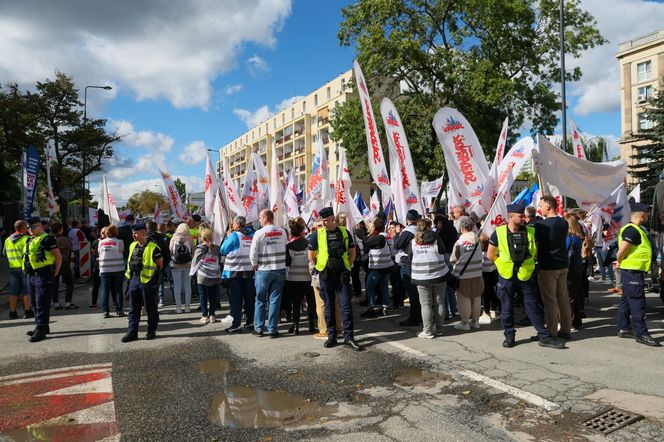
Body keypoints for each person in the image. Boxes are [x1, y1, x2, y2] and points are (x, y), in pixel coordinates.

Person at [487, 204, 564, 349]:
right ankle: (509, 336)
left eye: (524, 216)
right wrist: (503, 265)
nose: (524, 218)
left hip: (526, 274)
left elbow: (535, 251)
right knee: (507, 307)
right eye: (520, 216)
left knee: (532, 306)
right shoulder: (498, 233)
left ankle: (544, 336)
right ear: (511, 216)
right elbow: (490, 254)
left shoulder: (531, 231)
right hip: (507, 275)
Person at [308, 207, 361, 351]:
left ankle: (349, 337)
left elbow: (352, 252)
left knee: (346, 307)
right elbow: (311, 256)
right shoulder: (317, 235)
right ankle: (332, 336)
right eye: (322, 220)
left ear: (332, 219)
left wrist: (347, 266)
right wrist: (322, 266)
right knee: (329, 307)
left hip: (342, 275)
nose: (323, 223)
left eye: (326, 220)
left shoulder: (344, 232)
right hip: (326, 275)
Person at [615, 202, 661, 347]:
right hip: (632, 272)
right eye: (647, 213)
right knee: (637, 302)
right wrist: (619, 261)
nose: (648, 215)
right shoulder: (632, 231)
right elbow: (621, 251)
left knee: (627, 300)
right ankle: (641, 333)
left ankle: (624, 328)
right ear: (642, 215)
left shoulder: (637, 229)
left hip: (633, 271)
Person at [535, 195, 572, 340]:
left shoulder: (541, 225)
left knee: (550, 300)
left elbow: (536, 241)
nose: (540, 208)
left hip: (548, 266)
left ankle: (551, 331)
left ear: (548, 207)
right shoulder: (563, 222)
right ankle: (566, 329)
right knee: (563, 298)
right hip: (562, 264)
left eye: (541, 205)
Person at [23, 217, 62, 342]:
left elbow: (58, 256)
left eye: (32, 227)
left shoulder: (47, 238)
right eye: (28, 228)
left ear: (40, 226)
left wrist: (55, 272)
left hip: (43, 274)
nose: (30, 230)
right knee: (35, 303)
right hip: (31, 275)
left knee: (41, 303)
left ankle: (41, 329)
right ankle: (42, 326)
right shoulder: (30, 239)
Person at [121, 222, 163, 342]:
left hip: (148, 281)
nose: (133, 235)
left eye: (135, 233)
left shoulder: (153, 247)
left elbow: (160, 264)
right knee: (133, 308)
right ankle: (132, 332)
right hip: (134, 279)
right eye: (132, 233)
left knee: (150, 308)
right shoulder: (132, 245)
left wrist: (153, 278)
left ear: (143, 233)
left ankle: (151, 331)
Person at [250, 209, 287, 338]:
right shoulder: (282, 231)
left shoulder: (259, 233)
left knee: (260, 300)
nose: (259, 220)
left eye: (260, 218)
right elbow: (285, 247)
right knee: (275, 300)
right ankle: (272, 329)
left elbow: (253, 253)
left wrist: (255, 266)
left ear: (265, 218)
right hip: (279, 269)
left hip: (264, 270)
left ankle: (259, 328)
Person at [410, 218, 448, 339]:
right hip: (439, 274)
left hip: (421, 276)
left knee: (425, 304)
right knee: (439, 302)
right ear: (430, 226)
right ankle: (439, 329)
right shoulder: (438, 239)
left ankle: (427, 331)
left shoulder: (413, 241)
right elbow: (443, 252)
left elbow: (409, 256)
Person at [220, 216, 256, 333]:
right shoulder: (250, 236)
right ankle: (250, 321)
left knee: (236, 299)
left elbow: (223, 250)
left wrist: (227, 236)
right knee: (249, 298)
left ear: (237, 225)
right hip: (248, 271)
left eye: (233, 224)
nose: (232, 225)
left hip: (235, 272)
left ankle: (236, 324)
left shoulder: (234, 236)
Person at [450, 216, 484, 331]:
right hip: (478, 272)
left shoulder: (459, 241)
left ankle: (465, 323)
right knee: (476, 297)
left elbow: (453, 259)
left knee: (464, 298)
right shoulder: (478, 240)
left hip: (463, 274)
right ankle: (475, 321)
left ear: (462, 227)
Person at [285, 217, 316, 335]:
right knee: (311, 301)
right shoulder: (309, 244)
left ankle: (296, 326)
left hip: (293, 278)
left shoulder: (288, 246)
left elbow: (287, 263)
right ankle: (312, 326)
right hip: (308, 277)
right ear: (303, 231)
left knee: (296, 302)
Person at [394, 210, 422, 325]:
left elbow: (397, 245)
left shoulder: (408, 231)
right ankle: (419, 315)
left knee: (412, 293)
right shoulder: (420, 229)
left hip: (408, 264)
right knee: (417, 292)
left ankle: (414, 317)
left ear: (407, 219)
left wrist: (397, 234)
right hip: (417, 262)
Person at [362, 218, 392, 317]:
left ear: (375, 227)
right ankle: (385, 306)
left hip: (377, 267)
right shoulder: (388, 236)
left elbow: (365, 242)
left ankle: (371, 307)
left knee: (370, 287)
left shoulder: (378, 238)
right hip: (387, 266)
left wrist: (370, 233)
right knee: (384, 287)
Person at [3, 220, 33, 319]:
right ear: (23, 228)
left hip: (13, 268)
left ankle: (12, 313)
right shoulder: (26, 239)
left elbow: (4, 254)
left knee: (13, 291)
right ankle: (27, 311)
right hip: (24, 269)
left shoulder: (7, 240)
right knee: (26, 290)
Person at [191, 227, 222, 324]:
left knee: (203, 296)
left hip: (203, 275)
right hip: (215, 274)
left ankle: (204, 316)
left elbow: (194, 261)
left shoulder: (200, 248)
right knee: (213, 296)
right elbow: (220, 260)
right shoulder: (216, 248)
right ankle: (212, 315)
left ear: (202, 238)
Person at [98, 225, 125, 318]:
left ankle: (105, 311)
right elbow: (122, 251)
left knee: (105, 290)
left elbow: (99, 252)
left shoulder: (100, 242)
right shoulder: (119, 242)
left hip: (104, 269)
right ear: (116, 232)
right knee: (118, 290)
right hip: (118, 269)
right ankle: (119, 310)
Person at [565, 215, 585, 330]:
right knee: (576, 294)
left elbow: (565, 250)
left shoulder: (568, 238)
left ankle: (571, 320)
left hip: (569, 268)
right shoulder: (578, 237)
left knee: (568, 295)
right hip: (577, 267)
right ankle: (577, 320)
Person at [147, 220, 173, 308]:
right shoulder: (160, 238)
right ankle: (160, 301)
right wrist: (163, 264)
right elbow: (167, 253)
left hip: (150, 268)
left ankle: (157, 301)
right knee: (162, 283)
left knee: (156, 285)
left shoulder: (146, 239)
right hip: (160, 266)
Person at [170, 223, 194, 313]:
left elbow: (170, 252)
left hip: (175, 265)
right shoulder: (190, 238)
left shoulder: (173, 238)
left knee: (177, 286)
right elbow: (193, 252)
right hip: (188, 264)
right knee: (187, 285)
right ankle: (187, 307)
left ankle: (178, 307)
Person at [52, 223, 76, 310]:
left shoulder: (50, 238)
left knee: (55, 283)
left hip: (53, 262)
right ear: (60, 230)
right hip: (63, 261)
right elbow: (70, 248)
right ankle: (68, 303)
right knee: (69, 282)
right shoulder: (63, 239)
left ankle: (56, 303)